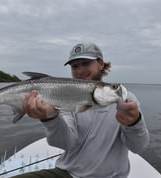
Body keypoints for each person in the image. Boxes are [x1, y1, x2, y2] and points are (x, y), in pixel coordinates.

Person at [14, 42, 149, 178]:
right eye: (75, 66)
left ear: (101, 64)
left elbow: (138, 147)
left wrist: (134, 123)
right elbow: (66, 143)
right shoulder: (67, 97)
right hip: (68, 174)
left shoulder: (127, 100)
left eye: (86, 63)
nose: (79, 70)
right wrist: (50, 119)